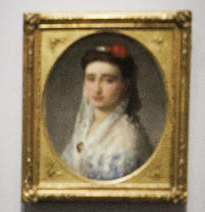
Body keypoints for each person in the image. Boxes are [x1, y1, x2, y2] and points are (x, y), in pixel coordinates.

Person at [60, 41, 154, 180]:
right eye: (91, 79)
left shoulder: (127, 136)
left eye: (109, 80)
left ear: (125, 85)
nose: (97, 89)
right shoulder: (84, 127)